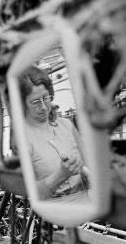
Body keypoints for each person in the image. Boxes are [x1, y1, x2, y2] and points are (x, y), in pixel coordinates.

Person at [20, 66, 87, 201]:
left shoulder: (66, 126)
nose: (44, 107)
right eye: (35, 102)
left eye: (46, 98)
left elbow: (90, 163)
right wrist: (61, 174)